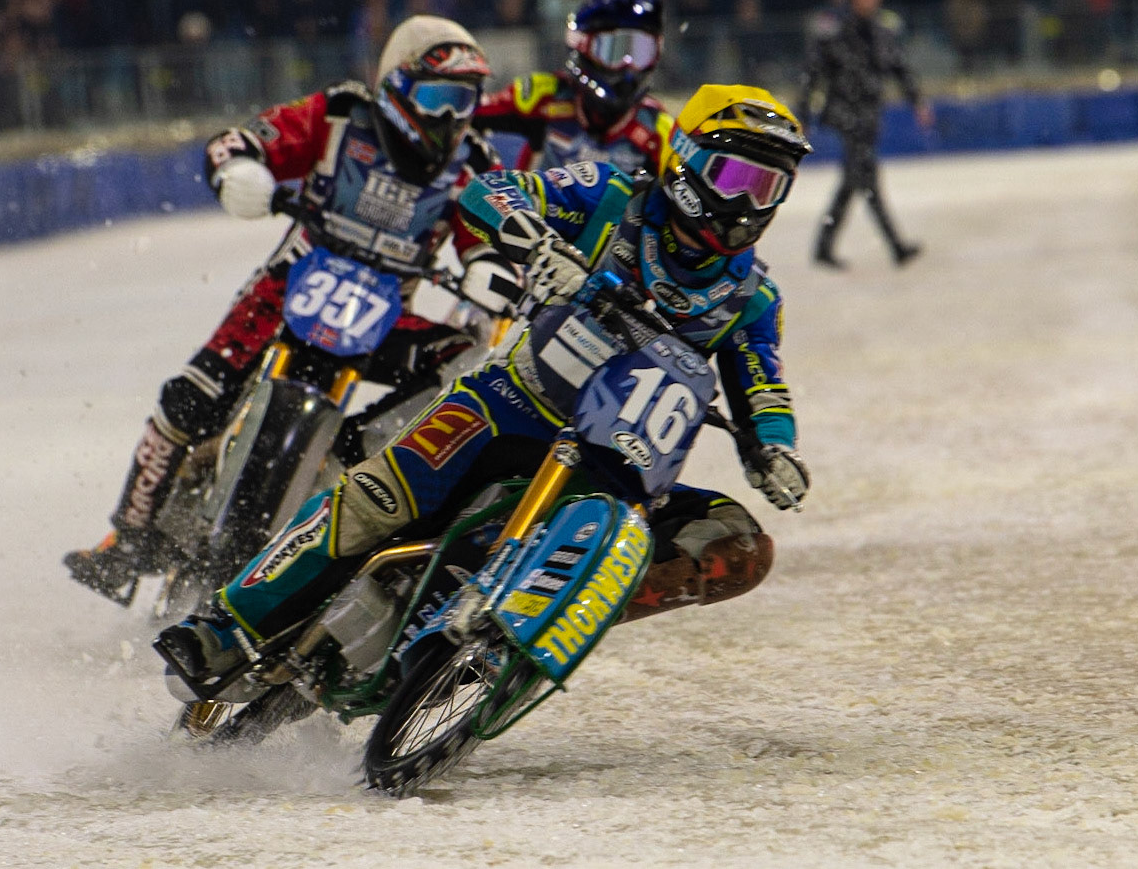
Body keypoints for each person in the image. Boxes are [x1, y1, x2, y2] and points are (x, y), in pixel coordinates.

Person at [156, 84, 813, 687]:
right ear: (686, 159)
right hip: (511, 404)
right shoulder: (612, 195)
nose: (749, 203)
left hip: (618, 468)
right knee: (377, 498)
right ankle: (225, 624)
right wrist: (535, 244)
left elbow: (762, 386)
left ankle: (551, 617)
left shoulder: (753, 298)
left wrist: (773, 447)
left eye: (769, 187)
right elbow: (495, 193)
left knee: (736, 541)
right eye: (736, 178)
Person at [64, 15, 521, 604]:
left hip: (386, 312)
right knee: (189, 398)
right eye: (436, 97)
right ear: (397, 86)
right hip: (288, 287)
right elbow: (241, 140)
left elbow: (490, 231)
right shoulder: (339, 115)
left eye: (464, 100)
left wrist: (490, 267)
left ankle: (359, 450)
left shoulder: (475, 164)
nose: (449, 117)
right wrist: (239, 171)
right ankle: (128, 538)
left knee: (469, 350)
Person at [797, 0, 930, 269]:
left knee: (853, 180)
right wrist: (802, 114)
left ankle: (823, 245)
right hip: (846, 115)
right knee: (866, 178)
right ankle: (895, 245)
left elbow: (900, 68)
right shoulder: (834, 31)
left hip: (870, 116)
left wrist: (917, 101)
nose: (870, 0)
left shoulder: (883, 31)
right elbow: (812, 73)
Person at [473, 0, 673, 177]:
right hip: (532, 211)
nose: (627, 66)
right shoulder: (544, 95)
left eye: (641, 52)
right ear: (582, 46)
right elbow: (468, 114)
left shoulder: (658, 129)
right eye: (613, 50)